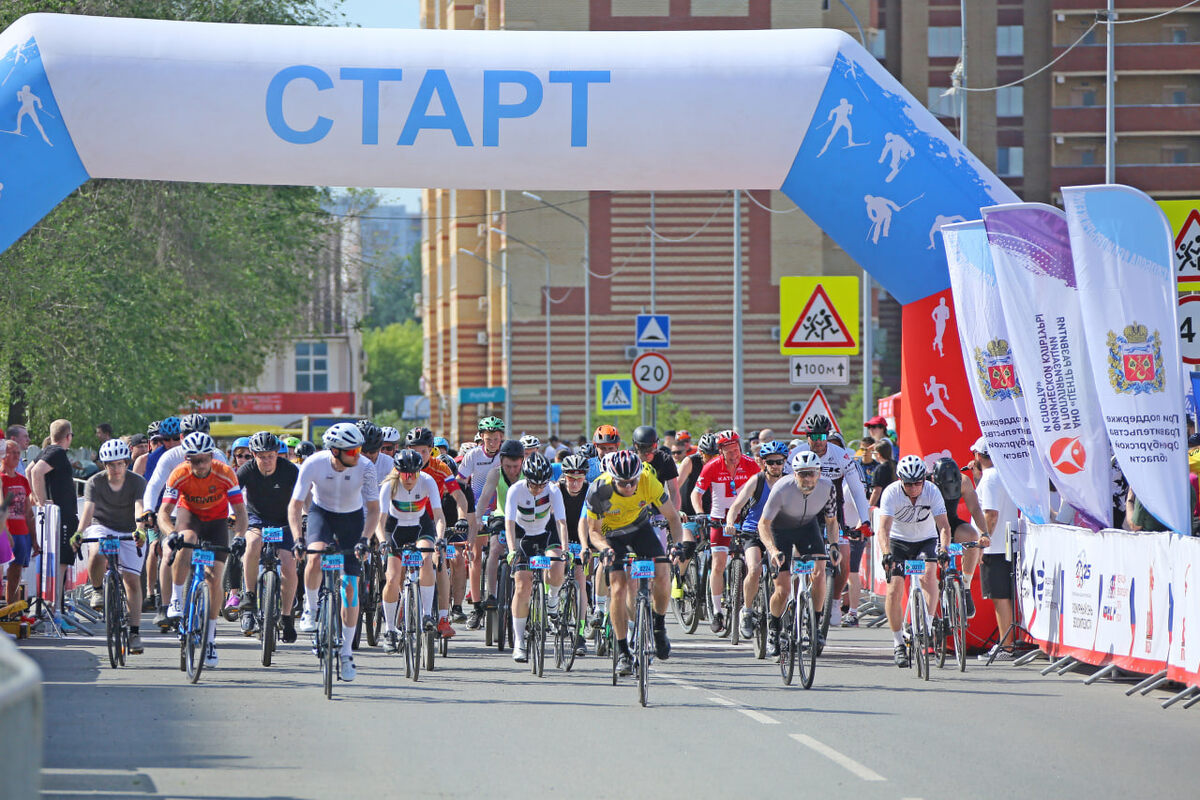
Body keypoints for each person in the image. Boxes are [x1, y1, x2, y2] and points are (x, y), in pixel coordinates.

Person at [289, 423, 380, 682]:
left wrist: (365, 538)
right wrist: (298, 539)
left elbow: (373, 510)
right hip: (322, 515)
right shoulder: (314, 463)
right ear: (336, 451)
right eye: (352, 450)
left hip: (352, 519)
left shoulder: (366, 467)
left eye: (359, 449)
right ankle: (311, 606)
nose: (358, 454)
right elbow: (295, 506)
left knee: (350, 587)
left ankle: (347, 653)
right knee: (315, 555)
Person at [584, 450, 685, 675]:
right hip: (611, 535)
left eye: (633, 481)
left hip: (640, 530)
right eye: (623, 483)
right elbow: (593, 532)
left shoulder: (648, 480)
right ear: (613, 478)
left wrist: (677, 544)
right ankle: (622, 652)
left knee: (662, 571)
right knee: (618, 588)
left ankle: (659, 627)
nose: (629, 487)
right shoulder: (599, 490)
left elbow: (673, 517)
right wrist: (605, 549)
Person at [159, 432, 248, 668]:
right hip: (190, 516)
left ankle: (210, 640)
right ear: (186, 459)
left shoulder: (226, 473)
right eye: (193, 460)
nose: (198, 465)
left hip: (216, 522)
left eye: (203, 460)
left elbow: (240, 513)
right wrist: (171, 534)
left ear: (211, 456)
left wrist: (239, 537)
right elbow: (163, 514)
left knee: (214, 579)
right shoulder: (179, 473)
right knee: (186, 539)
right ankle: (177, 599)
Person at [757, 450, 841, 657]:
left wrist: (833, 546)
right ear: (794, 474)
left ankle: (815, 625)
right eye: (802, 474)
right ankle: (774, 628)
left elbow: (831, 521)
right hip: (780, 530)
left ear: (819, 473)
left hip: (807, 528)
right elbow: (763, 524)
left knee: (820, 572)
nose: (807, 478)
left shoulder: (828, 488)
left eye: (811, 473)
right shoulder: (781, 488)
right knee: (783, 588)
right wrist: (773, 551)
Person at [71, 439, 149, 654]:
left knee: (132, 580)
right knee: (96, 551)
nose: (115, 469)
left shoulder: (137, 481)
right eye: (110, 465)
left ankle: (134, 632)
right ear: (104, 465)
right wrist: (79, 532)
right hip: (102, 525)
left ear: (126, 462)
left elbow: (139, 506)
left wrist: (140, 528)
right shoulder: (95, 482)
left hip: (129, 529)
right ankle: (97, 590)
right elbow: (88, 511)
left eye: (119, 464)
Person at [877, 455, 952, 668]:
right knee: (895, 588)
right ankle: (898, 642)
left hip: (926, 540)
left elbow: (944, 526)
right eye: (908, 484)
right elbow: (883, 529)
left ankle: (926, 626)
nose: (913, 488)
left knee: (928, 575)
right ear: (901, 480)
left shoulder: (932, 491)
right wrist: (886, 554)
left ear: (924, 479)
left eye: (917, 483)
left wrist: (943, 549)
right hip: (898, 541)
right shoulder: (891, 492)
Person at [690, 429, 760, 634]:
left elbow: (763, 487)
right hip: (719, 517)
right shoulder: (712, 466)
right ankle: (718, 611)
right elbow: (697, 493)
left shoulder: (750, 464)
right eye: (729, 451)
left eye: (736, 449)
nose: (734, 455)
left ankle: (750, 605)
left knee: (752, 563)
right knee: (718, 562)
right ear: (720, 451)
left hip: (745, 516)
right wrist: (700, 513)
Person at [377, 448, 445, 654]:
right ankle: (389, 630)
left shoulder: (427, 481)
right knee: (392, 577)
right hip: (395, 529)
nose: (409, 478)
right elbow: (379, 522)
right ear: (397, 472)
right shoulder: (390, 485)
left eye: (413, 474)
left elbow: (439, 516)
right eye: (404, 474)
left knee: (426, 560)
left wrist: (440, 539)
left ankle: (426, 615)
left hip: (420, 527)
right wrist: (382, 541)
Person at [235, 431, 300, 641]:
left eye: (271, 455)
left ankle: (288, 617)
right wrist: (230, 515)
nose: (267, 460)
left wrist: (306, 516)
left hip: (284, 520)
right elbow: (233, 495)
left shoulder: (290, 470)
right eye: (262, 456)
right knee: (252, 543)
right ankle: (249, 599)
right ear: (254, 455)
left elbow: (305, 496)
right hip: (257, 518)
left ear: (277, 454)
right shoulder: (246, 470)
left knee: (289, 564)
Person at [505, 453, 569, 663]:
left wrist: (566, 550)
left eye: (542, 484)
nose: (538, 489)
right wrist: (512, 551)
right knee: (522, 586)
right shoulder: (516, 490)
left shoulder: (553, 490)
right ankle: (519, 642)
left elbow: (561, 522)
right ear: (527, 479)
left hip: (545, 534)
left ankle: (552, 601)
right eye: (534, 485)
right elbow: (509, 523)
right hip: (523, 536)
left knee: (557, 565)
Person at [406, 426, 469, 635]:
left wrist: (461, 518)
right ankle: (399, 610)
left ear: (431, 450)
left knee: (439, 561)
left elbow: (459, 496)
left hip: (432, 522)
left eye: (424, 451)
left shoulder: (441, 468)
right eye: (415, 451)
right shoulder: (401, 467)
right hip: (405, 520)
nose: (420, 455)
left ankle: (443, 617)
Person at [724, 440, 788, 639]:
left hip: (777, 532)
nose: (775, 466)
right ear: (763, 463)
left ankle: (783, 614)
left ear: (785, 462)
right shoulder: (757, 481)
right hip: (752, 531)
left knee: (784, 574)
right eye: (771, 462)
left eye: (779, 461)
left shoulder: (790, 481)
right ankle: (747, 611)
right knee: (754, 568)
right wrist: (730, 522)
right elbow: (736, 505)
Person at [973, 438, 1018, 662]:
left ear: (978, 456)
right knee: (1003, 597)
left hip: (996, 545)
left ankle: (1007, 645)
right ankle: (1007, 642)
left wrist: (983, 541)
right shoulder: (1004, 473)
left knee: (999, 598)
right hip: (1006, 543)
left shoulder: (990, 478)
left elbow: (991, 514)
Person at [28, 419, 78, 622]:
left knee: (61, 562)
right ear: (68, 436)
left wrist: (38, 497)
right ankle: (56, 610)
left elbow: (30, 470)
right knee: (62, 563)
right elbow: (35, 471)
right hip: (61, 515)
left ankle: (56, 607)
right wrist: (40, 501)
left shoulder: (48, 451)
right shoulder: (56, 452)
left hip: (62, 514)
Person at [458, 416, 506, 629]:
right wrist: (466, 514)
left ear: (502, 437)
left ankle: (502, 592)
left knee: (502, 552)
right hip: (477, 509)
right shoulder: (473, 456)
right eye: (488, 439)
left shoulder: (506, 455)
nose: (492, 443)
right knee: (475, 556)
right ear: (482, 438)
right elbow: (460, 485)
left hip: (499, 509)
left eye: (496, 439)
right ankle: (477, 607)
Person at [929, 453, 987, 617]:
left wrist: (984, 533)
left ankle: (966, 587)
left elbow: (975, 509)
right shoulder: (926, 484)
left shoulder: (964, 481)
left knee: (971, 535)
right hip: (929, 527)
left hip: (951, 522)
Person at [558, 452, 591, 656]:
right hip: (559, 536)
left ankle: (579, 634)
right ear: (564, 476)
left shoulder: (590, 491)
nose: (575, 483)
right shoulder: (556, 490)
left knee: (580, 580)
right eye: (571, 478)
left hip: (582, 539)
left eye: (579, 479)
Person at [2, 440, 36, 605]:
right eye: (12, 452)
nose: (16, 456)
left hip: (22, 533)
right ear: (3, 455)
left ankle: (13, 612)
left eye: (18, 452)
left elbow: (28, 512)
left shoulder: (23, 480)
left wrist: (35, 540)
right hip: (5, 533)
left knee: (16, 575)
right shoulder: (1, 479)